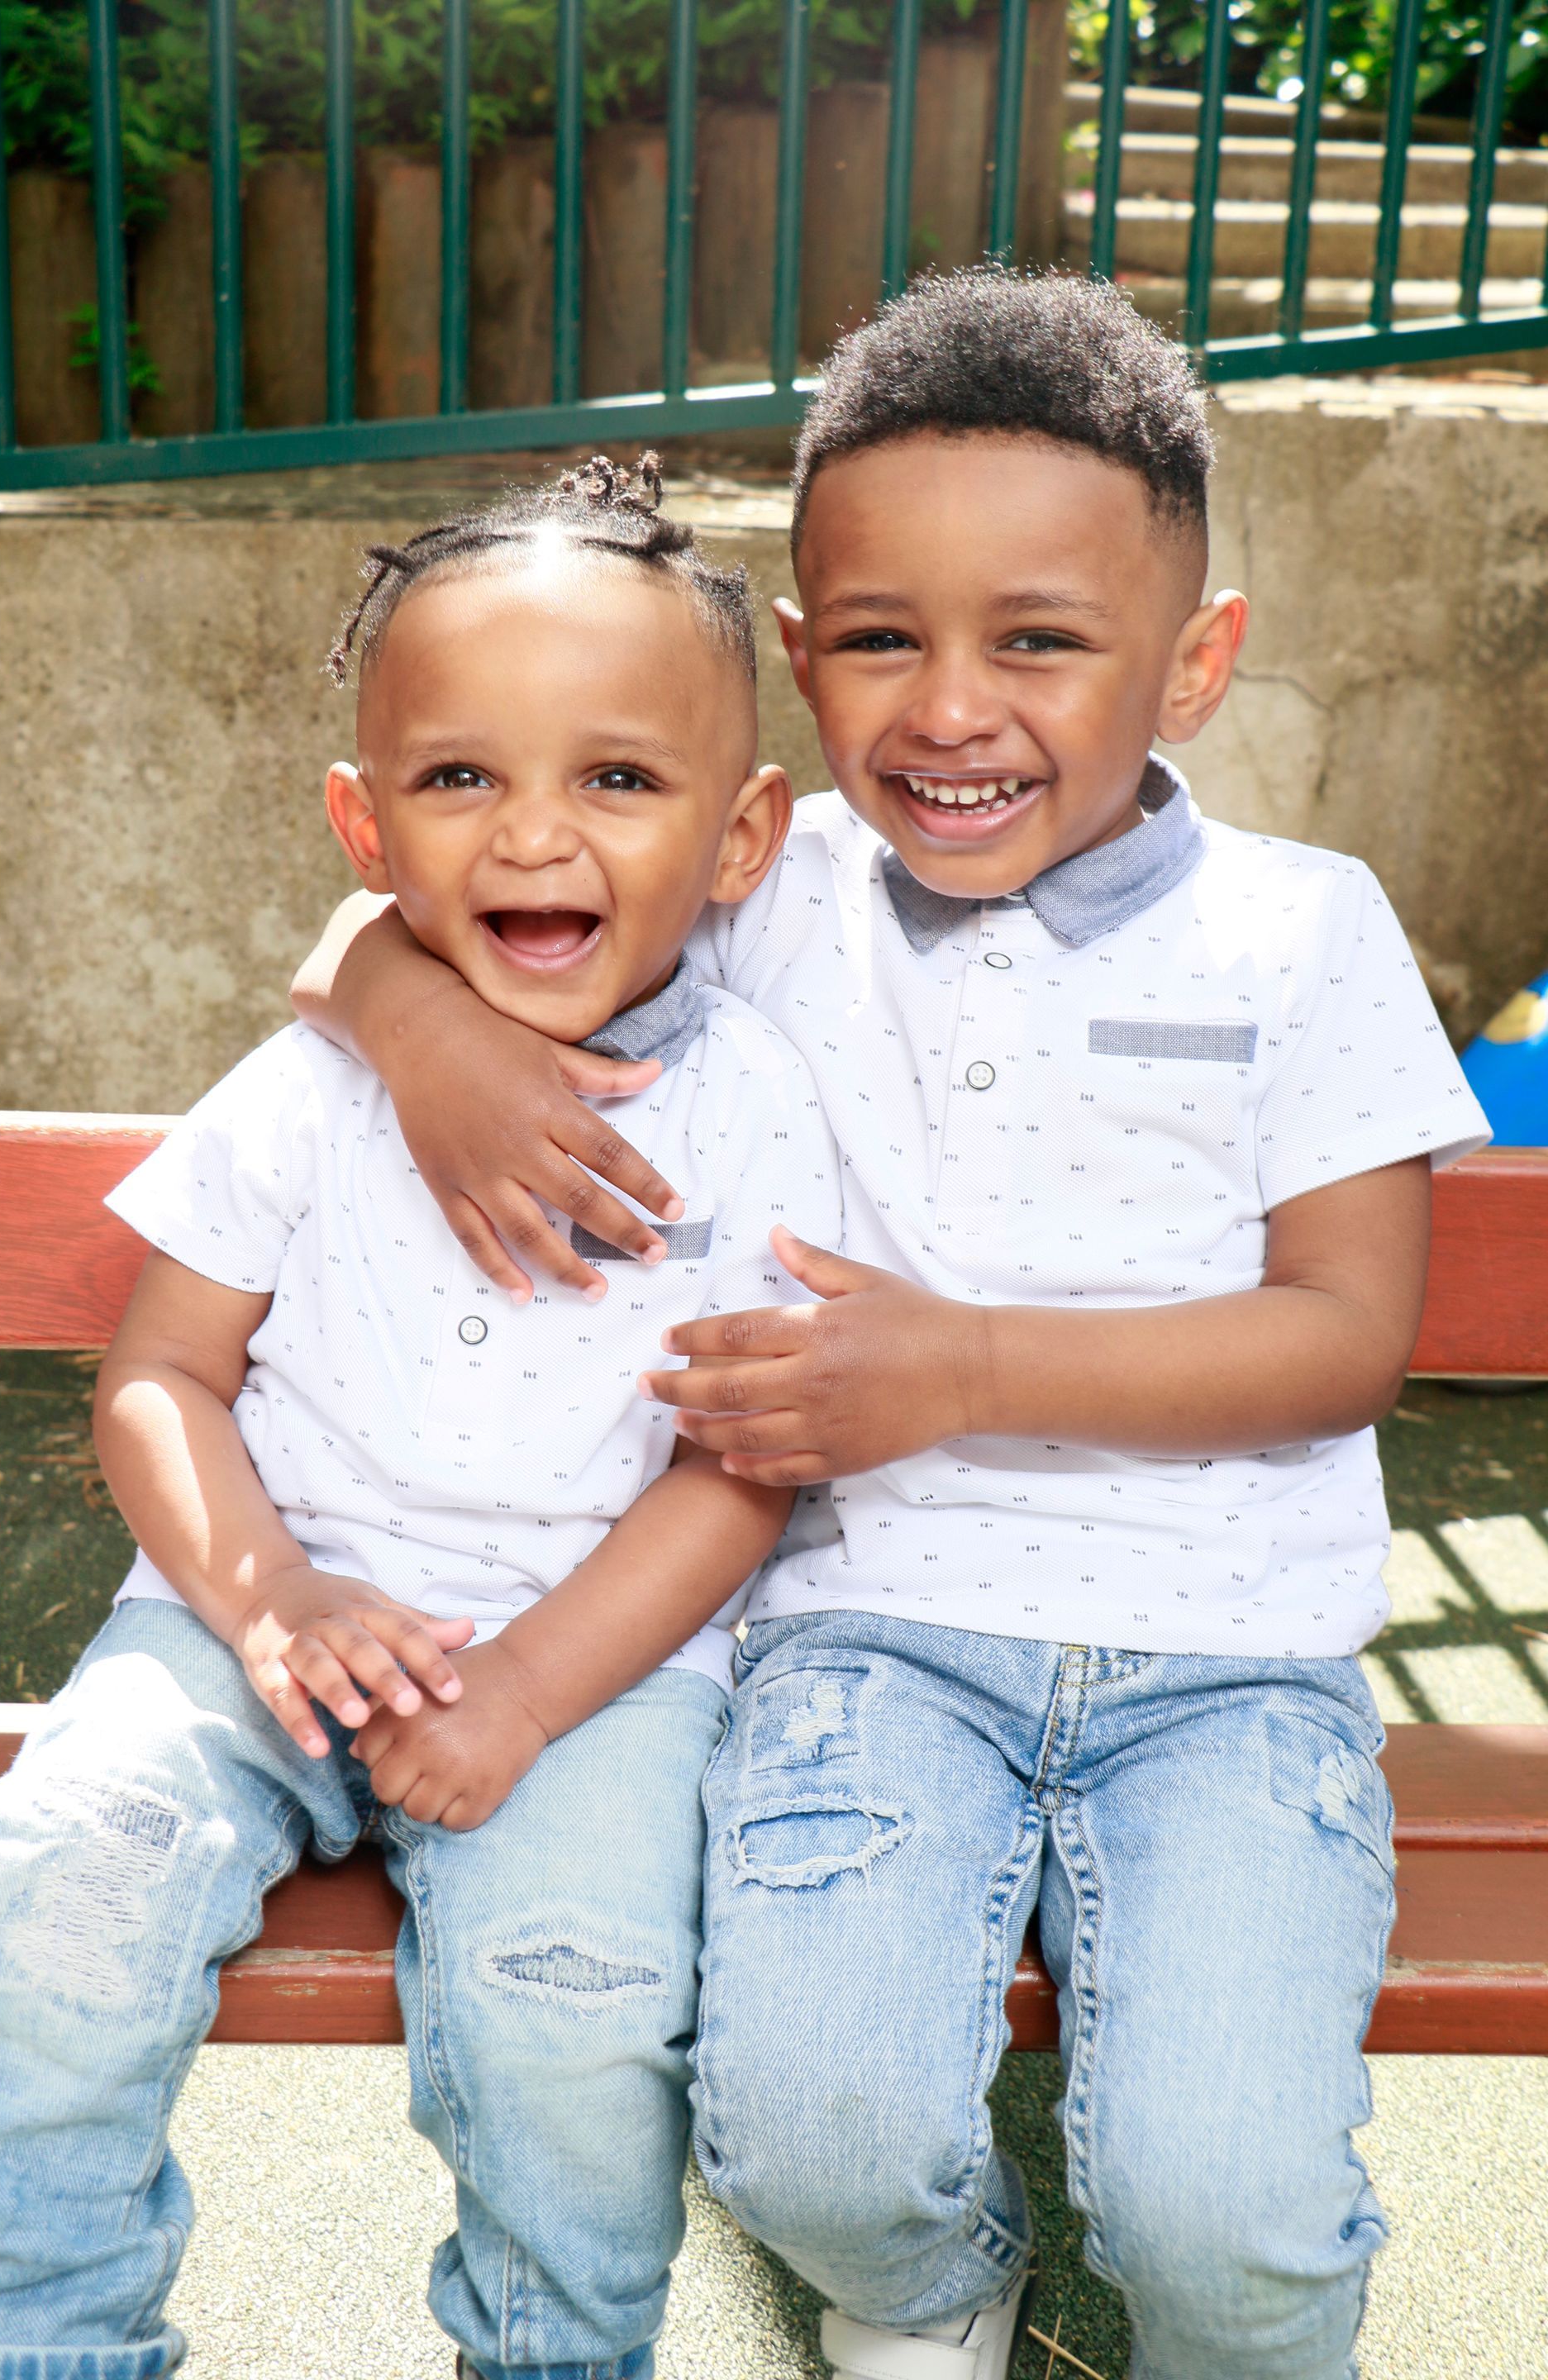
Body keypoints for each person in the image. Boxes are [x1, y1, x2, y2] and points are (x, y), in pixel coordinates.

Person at [289, 274, 1491, 2380]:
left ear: (1192, 663)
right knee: (814, 2148)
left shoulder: (1307, 927)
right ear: (796, 654)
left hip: (1231, 1673)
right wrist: (421, 1031)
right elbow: (377, 912)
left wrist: (965, 1368)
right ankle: (939, 2296)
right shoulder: (762, 878)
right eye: (876, 640)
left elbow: (1346, 1336)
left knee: (1232, 2228)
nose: (950, 707)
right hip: (863, 1640)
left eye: (1039, 639)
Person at [0, 455, 843, 2380]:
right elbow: (161, 1379)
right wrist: (269, 1598)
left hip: (597, 1664)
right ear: (365, 823)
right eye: (463, 778)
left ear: (745, 833)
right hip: (246, 1625)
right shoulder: (310, 1087)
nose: (536, 835)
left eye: (618, 778)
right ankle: (35, 2346)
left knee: (578, 2003)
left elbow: (737, 1475)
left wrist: (525, 1690)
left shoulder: (764, 1108)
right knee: (35, 1902)